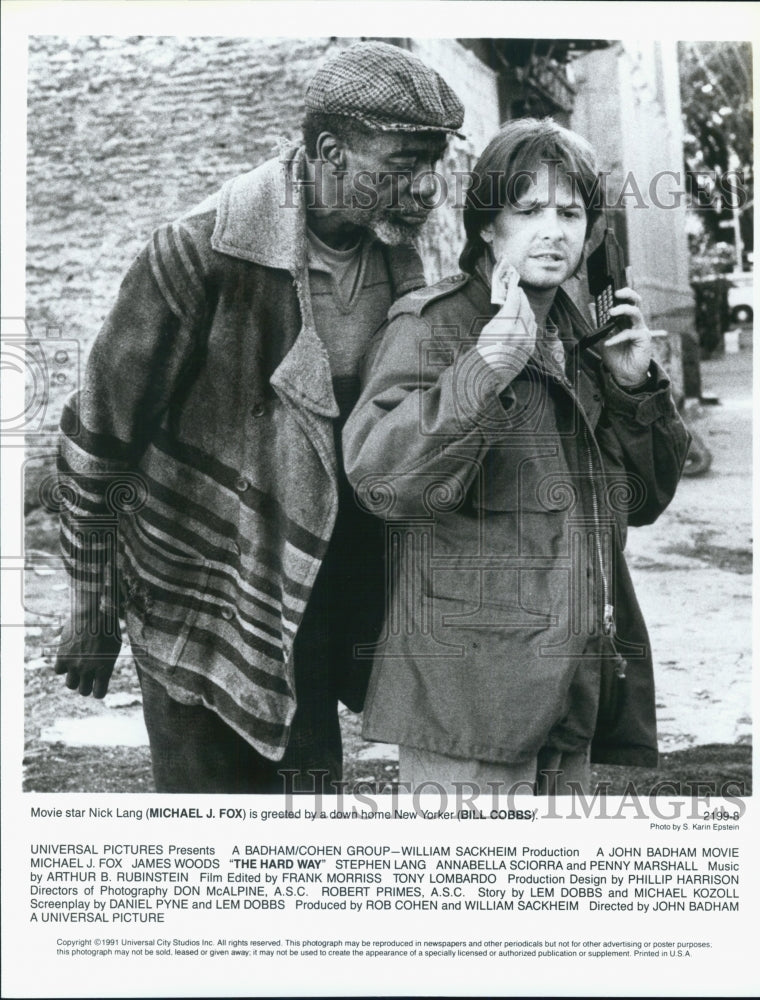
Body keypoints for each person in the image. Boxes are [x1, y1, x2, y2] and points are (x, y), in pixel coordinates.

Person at [54, 41, 464, 793]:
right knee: (209, 822)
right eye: (403, 162)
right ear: (328, 151)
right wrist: (89, 604)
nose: (426, 187)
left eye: (435, 160)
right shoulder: (197, 254)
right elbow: (99, 434)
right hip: (197, 592)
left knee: (303, 811)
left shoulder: (400, 260)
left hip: (313, 592)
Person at [343, 118, 692, 797]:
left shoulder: (580, 333)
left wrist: (631, 388)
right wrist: (484, 367)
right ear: (486, 226)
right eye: (527, 210)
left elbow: (644, 502)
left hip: (571, 683)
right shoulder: (434, 325)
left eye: (570, 213)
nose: (553, 231)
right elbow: (377, 477)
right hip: (470, 695)